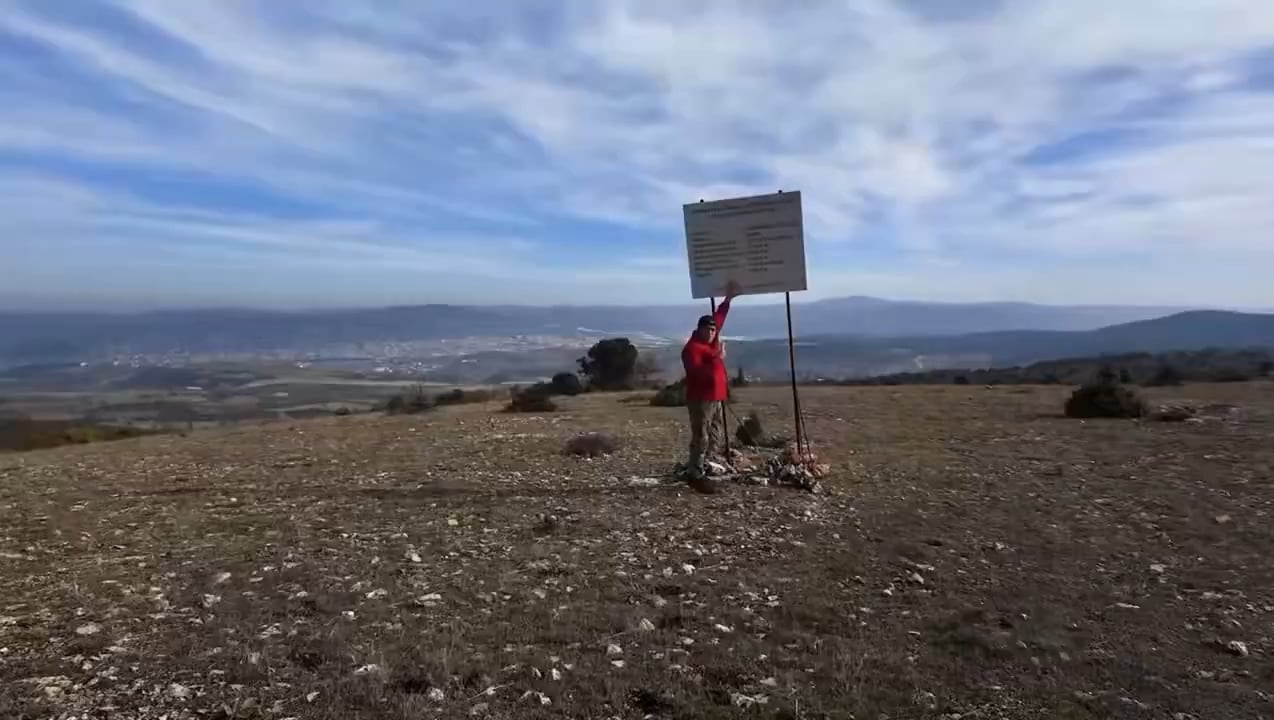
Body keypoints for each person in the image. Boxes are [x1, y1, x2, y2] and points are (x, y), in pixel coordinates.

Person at [681, 280, 741, 490]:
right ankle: (695, 472)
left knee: (715, 434)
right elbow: (697, 373)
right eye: (707, 330)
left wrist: (728, 299)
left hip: (717, 398)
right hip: (701, 399)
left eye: (714, 330)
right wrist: (717, 357)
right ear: (699, 330)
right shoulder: (692, 349)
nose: (712, 333)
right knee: (701, 436)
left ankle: (706, 464)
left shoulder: (710, 342)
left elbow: (719, 317)